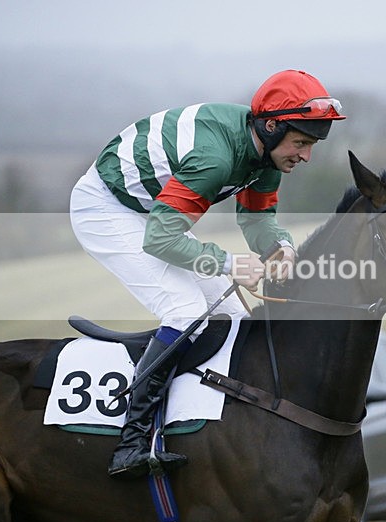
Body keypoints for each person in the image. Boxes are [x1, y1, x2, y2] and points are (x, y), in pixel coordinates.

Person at [69, 69, 346, 479]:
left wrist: (280, 247)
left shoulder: (267, 152)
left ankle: (220, 434)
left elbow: (257, 222)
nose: (305, 156)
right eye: (301, 143)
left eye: (311, 146)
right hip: (108, 210)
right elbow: (161, 240)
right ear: (272, 126)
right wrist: (232, 264)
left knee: (234, 319)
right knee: (185, 311)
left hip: (152, 216)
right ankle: (131, 443)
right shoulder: (214, 157)